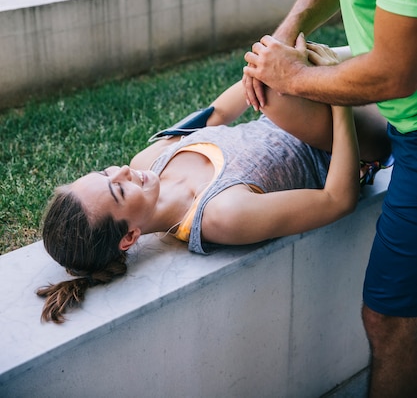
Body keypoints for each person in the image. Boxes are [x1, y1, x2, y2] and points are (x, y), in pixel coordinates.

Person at [216, 0, 417, 396]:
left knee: (386, 319)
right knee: (281, 93)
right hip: (402, 113)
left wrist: (298, 70)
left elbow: (395, 70)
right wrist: (291, 29)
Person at [37, 41, 390, 325]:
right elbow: (336, 199)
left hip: (300, 103)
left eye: (104, 172)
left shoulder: (147, 163)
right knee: (276, 96)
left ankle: (367, 52)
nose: (122, 171)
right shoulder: (221, 214)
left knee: (273, 66)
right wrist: (335, 96)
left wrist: (262, 67)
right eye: (118, 189)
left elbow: (216, 113)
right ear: (129, 236)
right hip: (350, 141)